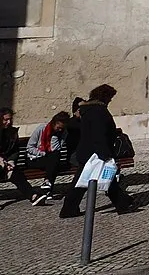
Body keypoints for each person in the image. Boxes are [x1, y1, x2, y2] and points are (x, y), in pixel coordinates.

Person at [59, 85, 136, 218]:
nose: (110, 100)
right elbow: (98, 134)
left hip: (88, 152)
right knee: (84, 182)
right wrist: (105, 154)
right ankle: (68, 209)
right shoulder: (98, 111)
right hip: (94, 153)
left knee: (100, 179)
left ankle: (122, 202)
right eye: (110, 98)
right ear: (104, 96)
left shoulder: (89, 110)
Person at [1, 107, 52, 206]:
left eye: (10, 119)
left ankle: (33, 196)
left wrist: (11, 161)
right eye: (5, 119)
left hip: (6, 164)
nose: (8, 122)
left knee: (15, 173)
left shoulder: (11, 133)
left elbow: (14, 150)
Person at [23, 111, 71, 192]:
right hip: (35, 158)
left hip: (50, 159)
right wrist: (43, 153)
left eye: (61, 128)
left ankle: (47, 185)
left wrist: (55, 137)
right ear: (54, 123)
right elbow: (30, 147)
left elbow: (56, 149)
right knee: (54, 162)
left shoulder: (63, 132)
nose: (59, 130)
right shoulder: (41, 129)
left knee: (54, 158)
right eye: (58, 127)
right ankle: (48, 188)